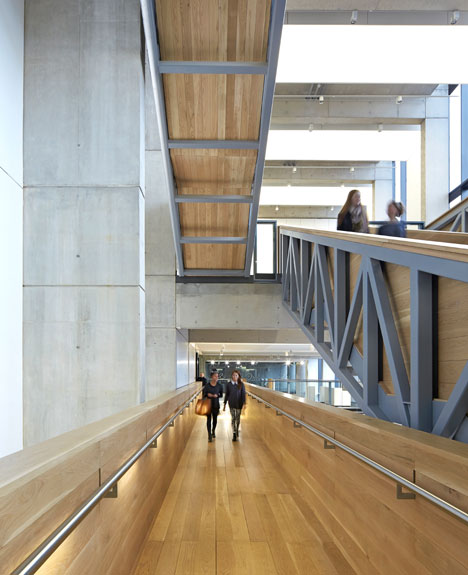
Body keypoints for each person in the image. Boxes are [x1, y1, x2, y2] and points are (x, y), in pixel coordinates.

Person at [223, 370, 246, 442]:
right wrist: (224, 403)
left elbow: (243, 394)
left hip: (239, 404)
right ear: (231, 376)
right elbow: (227, 394)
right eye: (233, 375)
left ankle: (236, 429)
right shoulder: (229, 384)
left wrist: (244, 403)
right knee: (233, 418)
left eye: (236, 375)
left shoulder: (241, 384)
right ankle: (234, 433)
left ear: (238, 376)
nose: (234, 377)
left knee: (237, 419)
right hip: (231, 403)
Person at [203, 371, 223, 442]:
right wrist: (209, 395)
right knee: (208, 420)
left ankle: (213, 430)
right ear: (212, 377)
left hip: (216, 405)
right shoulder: (207, 386)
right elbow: (204, 395)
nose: (217, 378)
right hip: (208, 405)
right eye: (215, 376)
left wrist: (217, 395)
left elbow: (221, 395)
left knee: (215, 420)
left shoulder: (219, 386)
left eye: (217, 376)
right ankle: (209, 435)